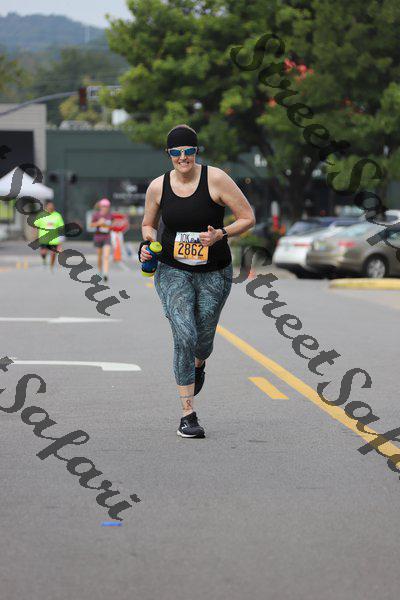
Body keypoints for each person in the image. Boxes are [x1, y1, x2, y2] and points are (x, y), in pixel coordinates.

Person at [139, 124, 255, 438]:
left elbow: (247, 217)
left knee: (203, 340)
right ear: (169, 154)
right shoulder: (158, 187)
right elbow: (148, 225)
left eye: (188, 151)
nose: (183, 157)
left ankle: (198, 365)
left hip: (214, 271)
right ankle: (187, 414)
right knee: (184, 334)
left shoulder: (215, 179)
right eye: (176, 152)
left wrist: (221, 234)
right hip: (172, 270)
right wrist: (148, 243)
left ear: (196, 152)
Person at [34, 200, 65, 271]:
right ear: (46, 206)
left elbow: (61, 227)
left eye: (52, 206)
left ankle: (51, 266)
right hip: (44, 238)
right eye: (49, 206)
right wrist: (35, 234)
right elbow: (36, 225)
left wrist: (61, 239)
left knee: (53, 253)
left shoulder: (57, 215)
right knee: (43, 252)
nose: (51, 207)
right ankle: (44, 261)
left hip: (54, 239)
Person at [90, 198, 114, 282]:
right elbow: (91, 225)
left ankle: (105, 273)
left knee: (106, 256)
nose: (105, 208)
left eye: (107, 206)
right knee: (100, 256)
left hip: (107, 237)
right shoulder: (96, 215)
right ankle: (100, 270)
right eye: (104, 206)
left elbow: (113, 225)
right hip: (98, 237)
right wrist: (99, 223)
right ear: (100, 207)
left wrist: (109, 225)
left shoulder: (110, 215)